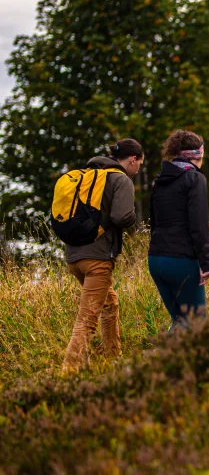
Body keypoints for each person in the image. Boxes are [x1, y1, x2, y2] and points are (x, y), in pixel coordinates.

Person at [63, 138, 144, 372]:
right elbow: (121, 217)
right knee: (87, 319)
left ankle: (113, 359)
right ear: (132, 159)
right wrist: (132, 217)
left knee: (110, 303)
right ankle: (67, 373)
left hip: (74, 257)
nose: (138, 169)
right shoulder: (121, 180)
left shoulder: (86, 176)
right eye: (139, 163)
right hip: (97, 259)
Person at [148, 130, 209, 332]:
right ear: (198, 155)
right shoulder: (195, 179)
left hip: (156, 260)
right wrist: (205, 263)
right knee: (195, 322)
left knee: (180, 321)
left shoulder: (159, 181)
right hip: (182, 261)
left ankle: (165, 361)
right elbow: (199, 224)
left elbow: (154, 223)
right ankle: (160, 362)